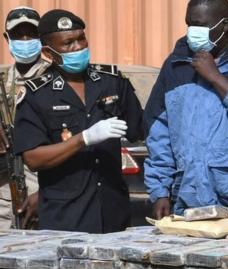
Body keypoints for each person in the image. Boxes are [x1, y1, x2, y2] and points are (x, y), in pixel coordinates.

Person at [143, 0, 228, 227]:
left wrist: (216, 78)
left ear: (224, 25)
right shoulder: (176, 64)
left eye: (199, 25)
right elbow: (158, 132)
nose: (192, 32)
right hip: (189, 201)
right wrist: (159, 190)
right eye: (189, 24)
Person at [13, 9, 143, 233]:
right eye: (68, 43)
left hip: (113, 212)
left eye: (81, 39)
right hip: (65, 217)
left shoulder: (111, 82)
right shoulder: (37, 95)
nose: (78, 47)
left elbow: (140, 130)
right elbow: (33, 158)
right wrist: (83, 139)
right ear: (48, 52)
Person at [0, 6, 50, 230]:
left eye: (31, 33)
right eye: (18, 35)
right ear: (7, 38)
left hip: (42, 183)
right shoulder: (3, 80)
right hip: (4, 185)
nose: (25, 39)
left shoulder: (57, 77)